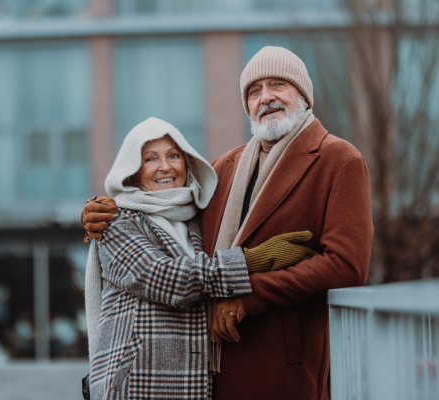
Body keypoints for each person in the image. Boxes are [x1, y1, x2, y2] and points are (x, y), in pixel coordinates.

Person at [82, 46, 374, 400]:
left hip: (283, 362)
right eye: (254, 91)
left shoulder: (340, 160)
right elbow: (166, 208)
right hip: (211, 368)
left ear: (303, 95)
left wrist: (249, 298)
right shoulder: (225, 167)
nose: (265, 98)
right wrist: (105, 209)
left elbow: (347, 266)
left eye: (277, 85)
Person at [85, 116, 317, 400]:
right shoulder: (115, 222)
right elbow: (165, 278)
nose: (165, 166)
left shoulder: (198, 221)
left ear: (187, 163)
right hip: (136, 383)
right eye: (150, 159)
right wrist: (252, 260)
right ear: (133, 172)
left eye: (174, 156)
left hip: (192, 385)